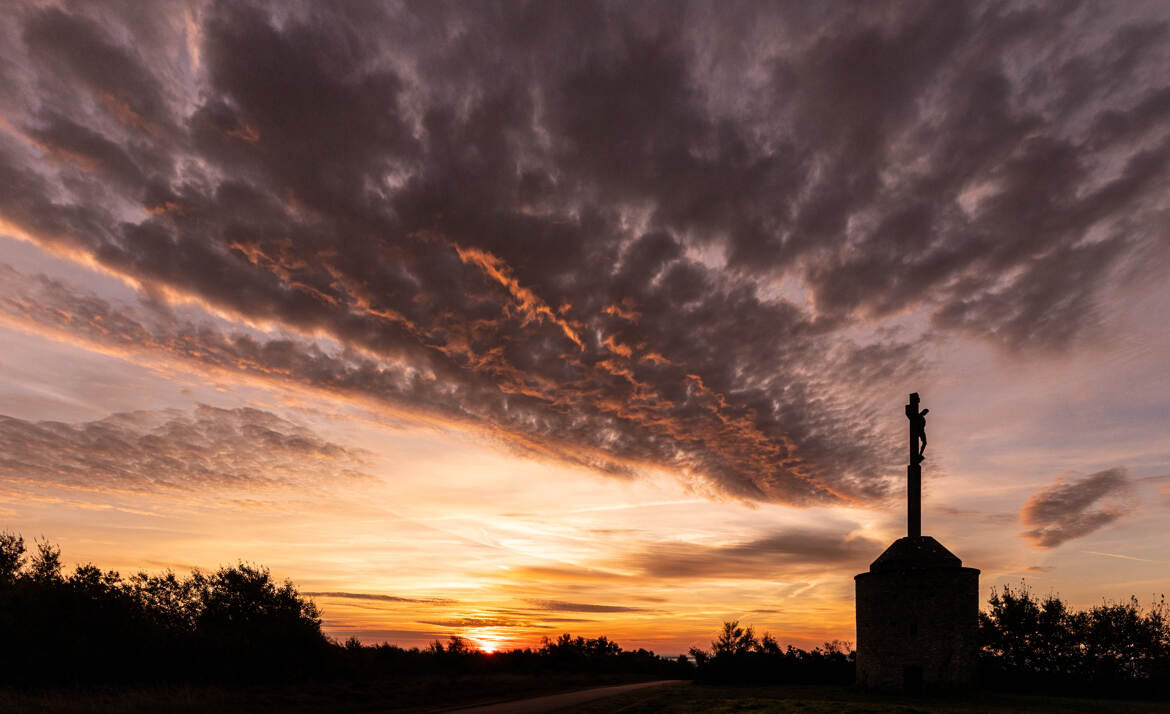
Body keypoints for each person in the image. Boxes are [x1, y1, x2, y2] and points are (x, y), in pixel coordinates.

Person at [906, 393, 929, 463]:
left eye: (926, 413)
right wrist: (907, 408)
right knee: (917, 444)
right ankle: (918, 456)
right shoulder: (917, 415)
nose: (925, 414)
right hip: (917, 431)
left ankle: (920, 454)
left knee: (925, 443)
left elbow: (923, 425)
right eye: (925, 412)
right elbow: (909, 414)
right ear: (923, 411)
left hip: (921, 431)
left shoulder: (923, 418)